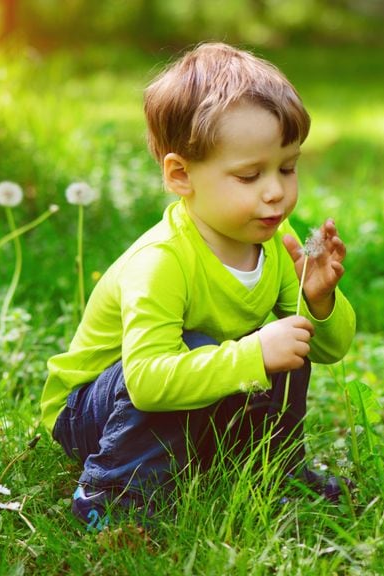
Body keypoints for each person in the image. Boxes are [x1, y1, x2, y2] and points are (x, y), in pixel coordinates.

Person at [40, 42, 356, 532]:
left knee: (286, 344)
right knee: (209, 346)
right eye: (249, 175)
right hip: (95, 415)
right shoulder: (162, 261)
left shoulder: (275, 244)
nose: (275, 191)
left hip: (188, 399)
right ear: (181, 175)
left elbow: (329, 349)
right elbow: (145, 381)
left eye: (287, 167)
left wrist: (317, 300)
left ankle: (271, 473)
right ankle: (115, 492)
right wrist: (253, 354)